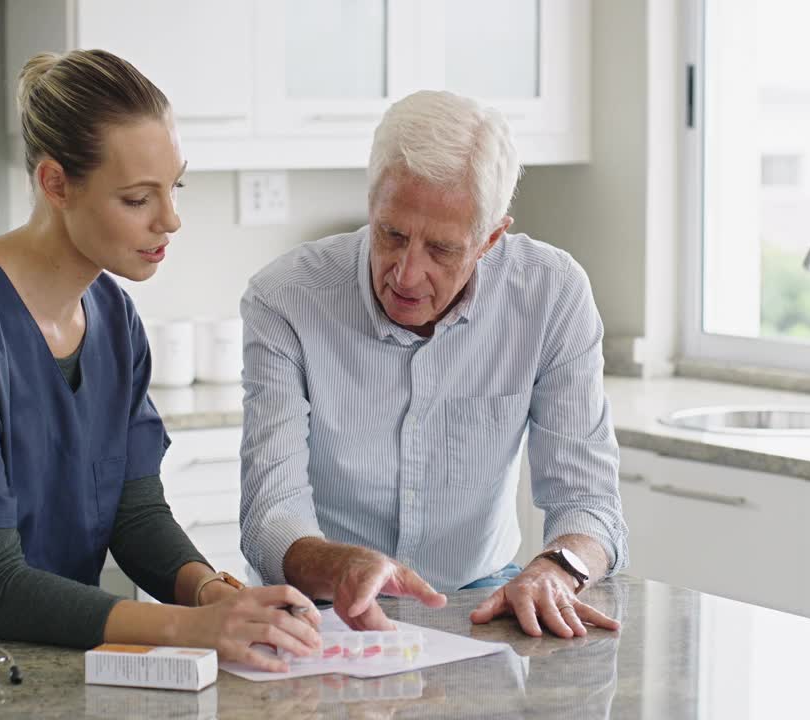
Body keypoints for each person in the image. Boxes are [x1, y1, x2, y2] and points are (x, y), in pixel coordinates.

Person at [0, 49, 320, 672]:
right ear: (54, 184)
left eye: (173, 187)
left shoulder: (114, 318)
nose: (171, 219)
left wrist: (213, 594)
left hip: (16, 663)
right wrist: (192, 627)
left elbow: (135, 512)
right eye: (136, 199)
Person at [239, 90, 628, 639]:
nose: (406, 273)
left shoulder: (551, 295)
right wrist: (343, 567)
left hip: (481, 598)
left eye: (442, 250)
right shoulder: (285, 299)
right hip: (320, 608)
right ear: (372, 204)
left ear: (491, 239)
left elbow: (589, 502)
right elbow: (268, 516)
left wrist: (556, 570)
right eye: (391, 234)